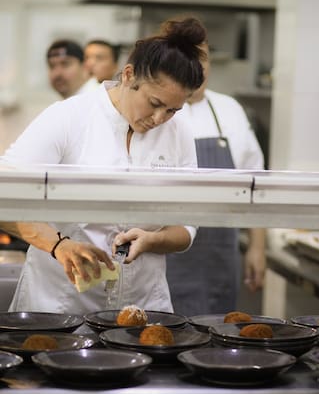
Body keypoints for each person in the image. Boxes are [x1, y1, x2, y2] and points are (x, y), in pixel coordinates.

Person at [0, 16, 206, 315]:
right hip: (62, 304)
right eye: (154, 103)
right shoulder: (70, 117)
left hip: (143, 306)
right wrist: (59, 245)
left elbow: (189, 222)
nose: (160, 119)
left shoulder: (179, 131)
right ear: (128, 75)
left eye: (173, 110)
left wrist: (154, 239)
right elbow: (4, 194)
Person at [166, 41, 266, 316]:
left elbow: (255, 184)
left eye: (203, 59)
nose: (197, 67)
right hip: (168, 251)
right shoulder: (162, 110)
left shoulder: (229, 109)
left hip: (220, 253)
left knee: (218, 335)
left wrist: (257, 248)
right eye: (188, 58)